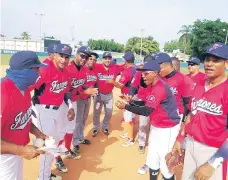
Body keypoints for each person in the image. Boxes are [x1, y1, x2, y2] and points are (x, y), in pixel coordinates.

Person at [171, 42, 228, 180]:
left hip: (213, 150)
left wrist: (213, 163)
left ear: (226, 63)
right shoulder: (200, 84)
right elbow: (191, 113)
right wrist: (180, 139)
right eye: (207, 59)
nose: (209, 64)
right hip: (191, 144)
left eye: (216, 60)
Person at [116, 60, 180, 180]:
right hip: (156, 126)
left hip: (168, 129)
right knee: (152, 159)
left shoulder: (160, 87)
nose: (143, 76)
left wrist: (125, 106)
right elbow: (144, 102)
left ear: (155, 73)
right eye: (142, 73)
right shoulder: (151, 86)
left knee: (165, 163)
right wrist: (130, 101)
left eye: (146, 73)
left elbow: (146, 111)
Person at [0, 51, 48, 180]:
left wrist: (38, 133)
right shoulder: (2, 93)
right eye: (36, 68)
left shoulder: (24, 88)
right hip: (3, 158)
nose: (39, 72)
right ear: (24, 71)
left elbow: (23, 118)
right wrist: (20, 150)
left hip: (15, 152)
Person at [31, 44, 75, 179]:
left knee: (53, 144)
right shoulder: (45, 69)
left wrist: (71, 106)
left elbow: (66, 92)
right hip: (43, 111)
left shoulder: (66, 72)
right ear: (54, 55)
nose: (64, 60)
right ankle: (43, 178)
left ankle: (46, 174)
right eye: (61, 56)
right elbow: (29, 86)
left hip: (57, 111)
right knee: (48, 147)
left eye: (67, 57)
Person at [65, 46, 98, 158]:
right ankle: (72, 145)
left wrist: (88, 89)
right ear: (76, 54)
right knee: (70, 125)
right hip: (66, 102)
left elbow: (82, 85)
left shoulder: (84, 70)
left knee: (79, 122)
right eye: (82, 56)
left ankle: (76, 141)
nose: (84, 59)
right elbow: (66, 90)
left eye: (86, 57)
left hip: (76, 99)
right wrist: (85, 91)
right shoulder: (68, 68)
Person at [107, 51, 136, 147]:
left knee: (128, 119)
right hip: (133, 95)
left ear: (126, 60)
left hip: (127, 96)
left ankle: (131, 139)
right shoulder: (135, 69)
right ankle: (128, 133)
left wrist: (112, 82)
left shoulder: (127, 71)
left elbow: (120, 85)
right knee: (131, 117)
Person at [92, 52, 123, 137]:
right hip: (98, 95)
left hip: (109, 95)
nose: (107, 60)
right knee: (96, 112)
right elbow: (88, 65)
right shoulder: (97, 66)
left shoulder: (115, 67)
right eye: (105, 58)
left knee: (109, 113)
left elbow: (127, 66)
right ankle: (95, 127)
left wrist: (141, 66)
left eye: (109, 58)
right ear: (103, 59)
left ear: (111, 59)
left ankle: (105, 126)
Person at [128, 55, 153, 154]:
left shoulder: (156, 74)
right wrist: (130, 95)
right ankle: (142, 143)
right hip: (142, 100)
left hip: (154, 101)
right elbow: (133, 86)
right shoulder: (139, 73)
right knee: (143, 124)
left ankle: (152, 142)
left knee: (153, 124)